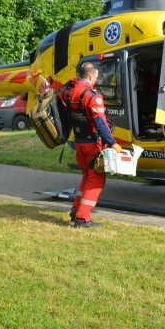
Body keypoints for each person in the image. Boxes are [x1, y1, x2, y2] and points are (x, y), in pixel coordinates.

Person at [60, 62, 123, 228]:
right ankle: (82, 217)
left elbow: (59, 93)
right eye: (95, 77)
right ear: (89, 76)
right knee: (96, 179)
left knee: (87, 176)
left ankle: (76, 209)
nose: (96, 80)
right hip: (92, 146)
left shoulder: (68, 92)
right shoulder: (92, 96)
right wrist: (113, 143)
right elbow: (100, 123)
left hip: (78, 143)